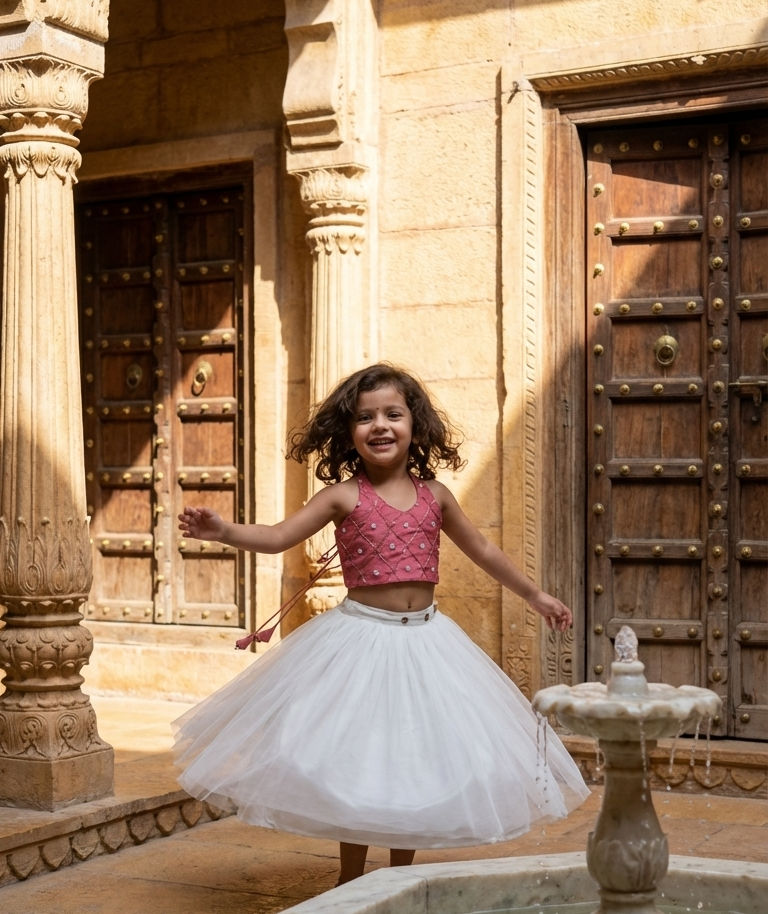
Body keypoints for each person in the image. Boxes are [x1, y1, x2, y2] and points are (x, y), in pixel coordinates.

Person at [172, 363, 589, 884]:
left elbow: (482, 550)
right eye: (365, 417)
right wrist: (224, 531)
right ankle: (348, 879)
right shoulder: (342, 496)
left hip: (427, 643)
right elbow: (278, 536)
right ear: (348, 432)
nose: (380, 426)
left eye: (393, 414)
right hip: (362, 641)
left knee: (412, 763)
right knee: (360, 762)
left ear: (415, 425)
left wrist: (536, 596)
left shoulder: (436, 495)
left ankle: (395, 880)